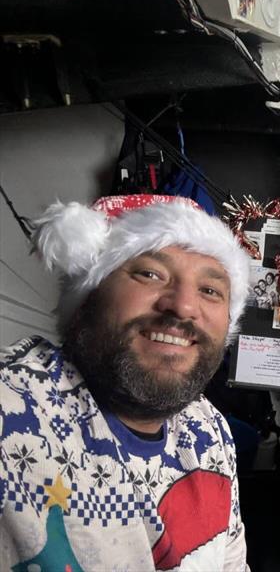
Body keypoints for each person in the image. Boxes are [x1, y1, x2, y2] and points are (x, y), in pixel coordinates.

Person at [0, 195, 251, 571]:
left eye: (210, 290)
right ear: (88, 297)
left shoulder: (210, 429)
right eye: (150, 274)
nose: (183, 306)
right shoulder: (12, 407)